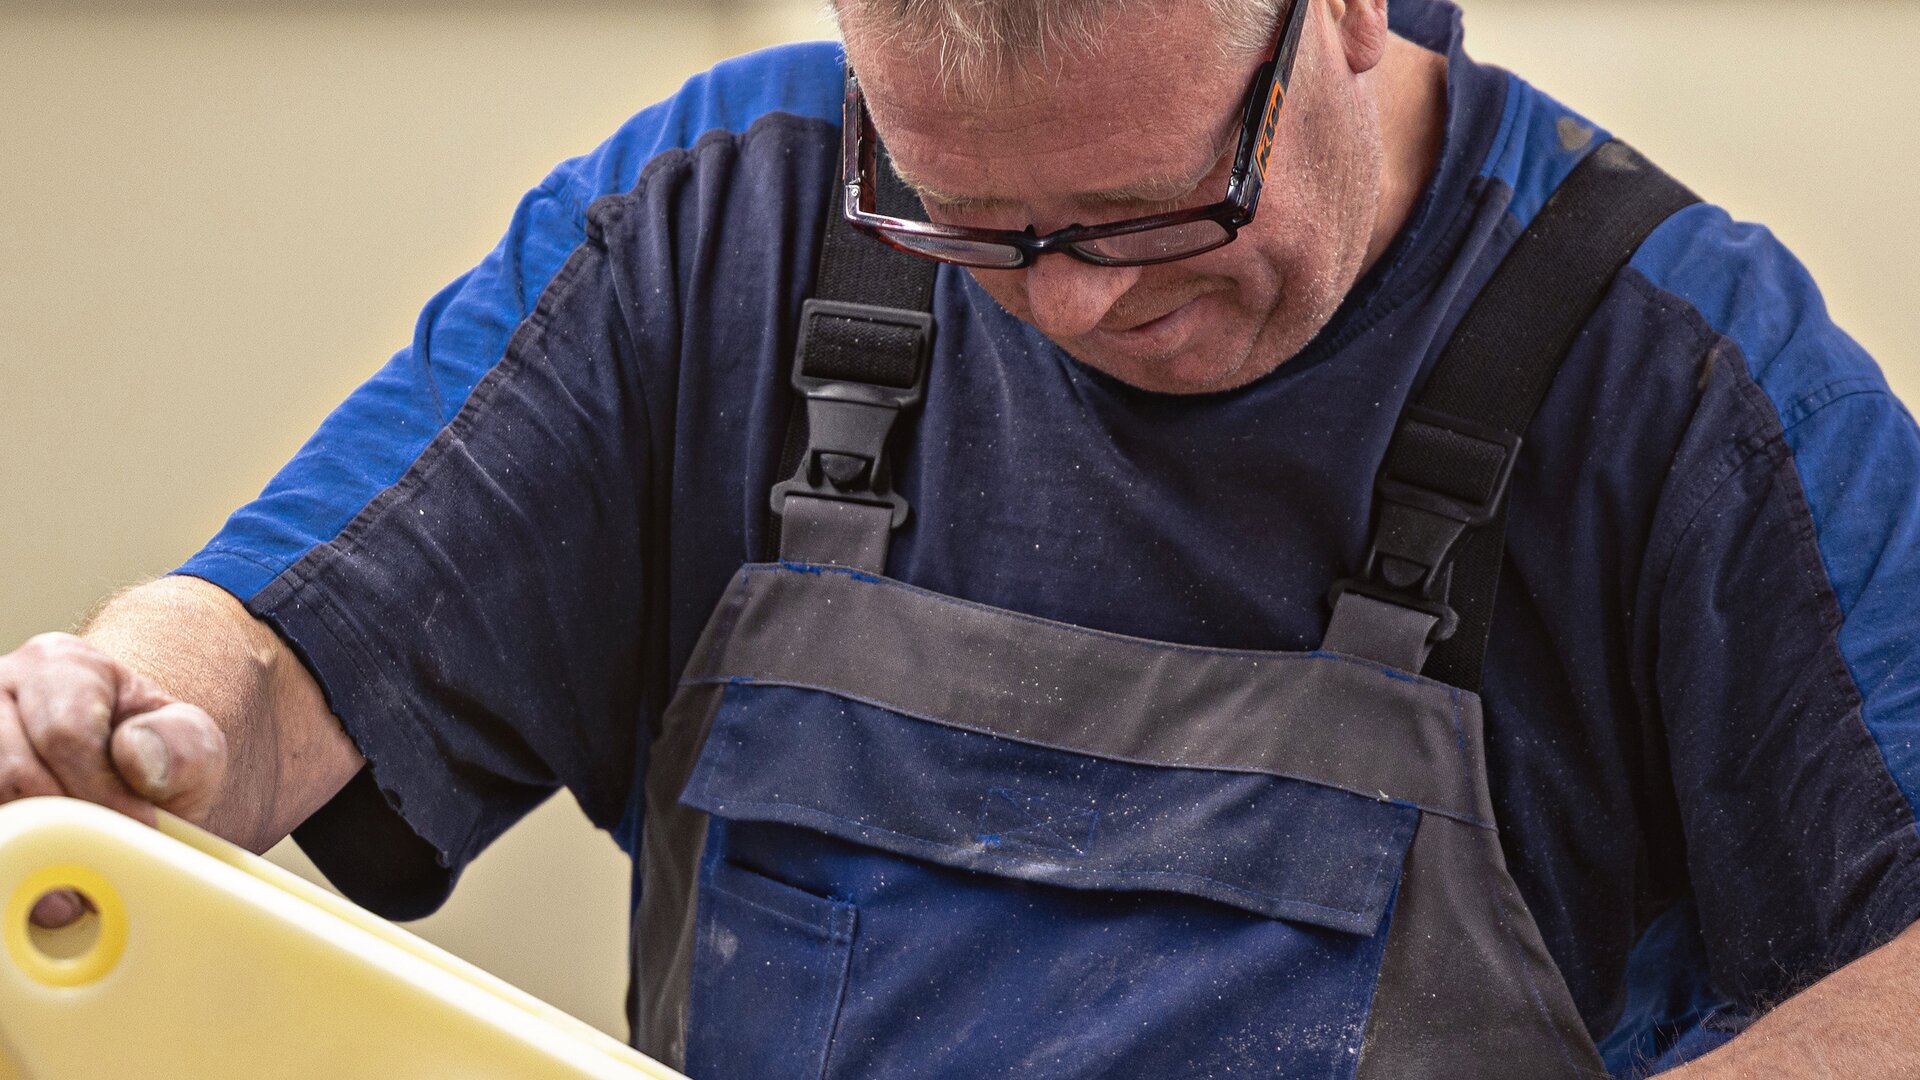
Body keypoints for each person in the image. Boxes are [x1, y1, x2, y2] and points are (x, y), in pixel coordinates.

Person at [3, 0, 1918, 1075]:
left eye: (1153, 216)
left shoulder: (1685, 371)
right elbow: (266, 662)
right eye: (969, 230)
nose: (1071, 308)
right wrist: (120, 727)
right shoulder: (721, 218)